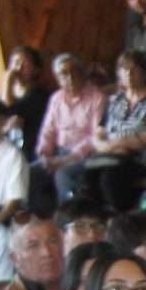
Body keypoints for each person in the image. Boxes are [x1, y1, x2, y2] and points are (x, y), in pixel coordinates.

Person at [77, 50, 146, 213]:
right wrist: (106, 147)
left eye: (134, 69)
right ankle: (94, 218)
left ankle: (118, 218)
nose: (129, 73)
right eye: (124, 69)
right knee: (88, 175)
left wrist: (119, 143)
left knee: (110, 177)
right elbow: (99, 132)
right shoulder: (114, 100)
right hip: (111, 155)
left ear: (145, 72)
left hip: (144, 159)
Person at [33, 52, 105, 206]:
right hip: (58, 152)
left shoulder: (97, 97)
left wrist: (68, 159)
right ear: (57, 78)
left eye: (74, 71)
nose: (70, 77)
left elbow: (95, 137)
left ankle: (67, 221)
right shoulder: (56, 99)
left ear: (82, 72)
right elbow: (48, 130)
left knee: (63, 174)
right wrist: (44, 153)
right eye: (63, 74)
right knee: (30, 173)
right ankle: (40, 219)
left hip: (86, 156)